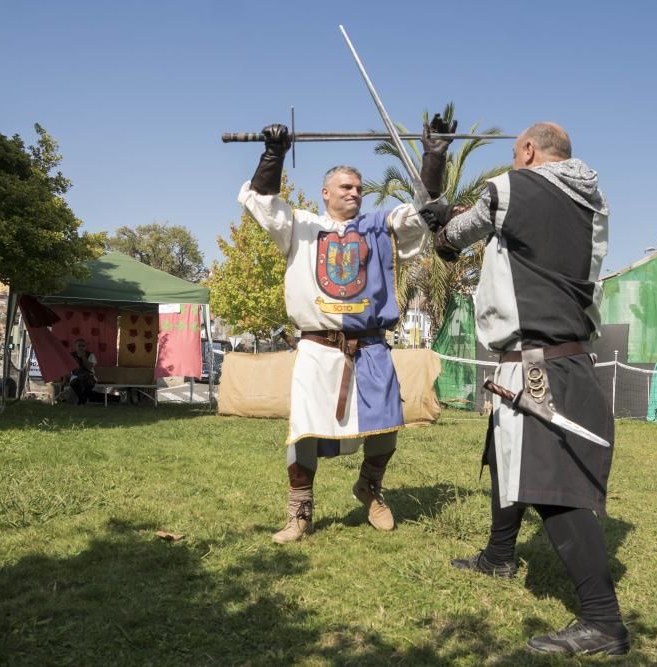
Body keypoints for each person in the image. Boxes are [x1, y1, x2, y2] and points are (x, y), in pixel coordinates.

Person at [422, 122, 629, 656]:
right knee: (505, 452)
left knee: (551, 489)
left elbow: (448, 243)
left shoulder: (512, 189)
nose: (513, 162)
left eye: (516, 153)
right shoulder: (591, 202)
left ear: (530, 151)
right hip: (561, 358)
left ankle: (603, 621)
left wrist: (432, 170)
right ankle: (499, 555)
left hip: (540, 366)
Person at [238, 115, 454, 544]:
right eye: (345, 187)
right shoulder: (301, 227)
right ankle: (299, 512)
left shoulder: (379, 228)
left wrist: (434, 157)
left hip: (371, 347)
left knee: (387, 424)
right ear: (326, 193)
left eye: (358, 188)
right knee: (303, 430)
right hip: (318, 349)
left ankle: (370, 487)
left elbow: (422, 212)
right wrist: (272, 154)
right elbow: (263, 201)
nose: (354, 193)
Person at [68, 338, 97, 405]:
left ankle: (81, 400)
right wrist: (64, 379)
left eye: (83, 346)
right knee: (73, 382)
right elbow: (67, 368)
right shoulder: (71, 355)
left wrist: (83, 357)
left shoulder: (90, 355)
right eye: (79, 346)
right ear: (75, 346)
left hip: (89, 375)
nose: (81, 347)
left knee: (91, 382)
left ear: (86, 347)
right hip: (76, 375)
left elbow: (89, 367)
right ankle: (83, 400)